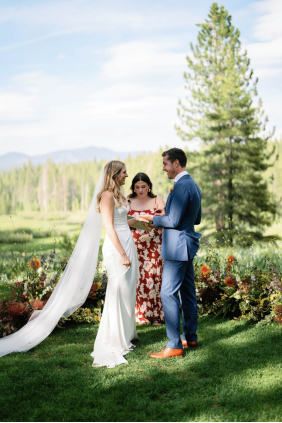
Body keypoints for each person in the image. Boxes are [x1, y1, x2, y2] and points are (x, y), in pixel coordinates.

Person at [139, 148, 202, 359]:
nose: (163, 167)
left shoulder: (181, 186)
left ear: (176, 163)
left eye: (165, 163)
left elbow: (174, 223)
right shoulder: (192, 184)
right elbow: (196, 218)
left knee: (167, 293)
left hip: (177, 248)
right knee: (188, 293)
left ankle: (175, 344)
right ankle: (190, 337)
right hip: (187, 245)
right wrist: (167, 212)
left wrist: (152, 219)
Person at [91, 161, 146, 368]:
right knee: (118, 290)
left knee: (128, 291)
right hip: (116, 248)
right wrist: (122, 253)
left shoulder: (119, 195)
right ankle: (114, 340)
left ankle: (126, 337)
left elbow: (123, 222)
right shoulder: (106, 195)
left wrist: (140, 220)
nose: (127, 175)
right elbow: (109, 227)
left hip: (127, 243)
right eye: (124, 172)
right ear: (114, 174)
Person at [127, 173, 166, 326]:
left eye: (143, 186)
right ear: (133, 187)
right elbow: (122, 222)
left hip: (154, 244)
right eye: (137, 187)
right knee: (137, 278)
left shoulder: (158, 200)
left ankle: (156, 315)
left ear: (149, 186)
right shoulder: (128, 201)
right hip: (135, 245)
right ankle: (140, 315)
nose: (141, 190)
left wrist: (153, 224)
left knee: (155, 277)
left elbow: (165, 221)